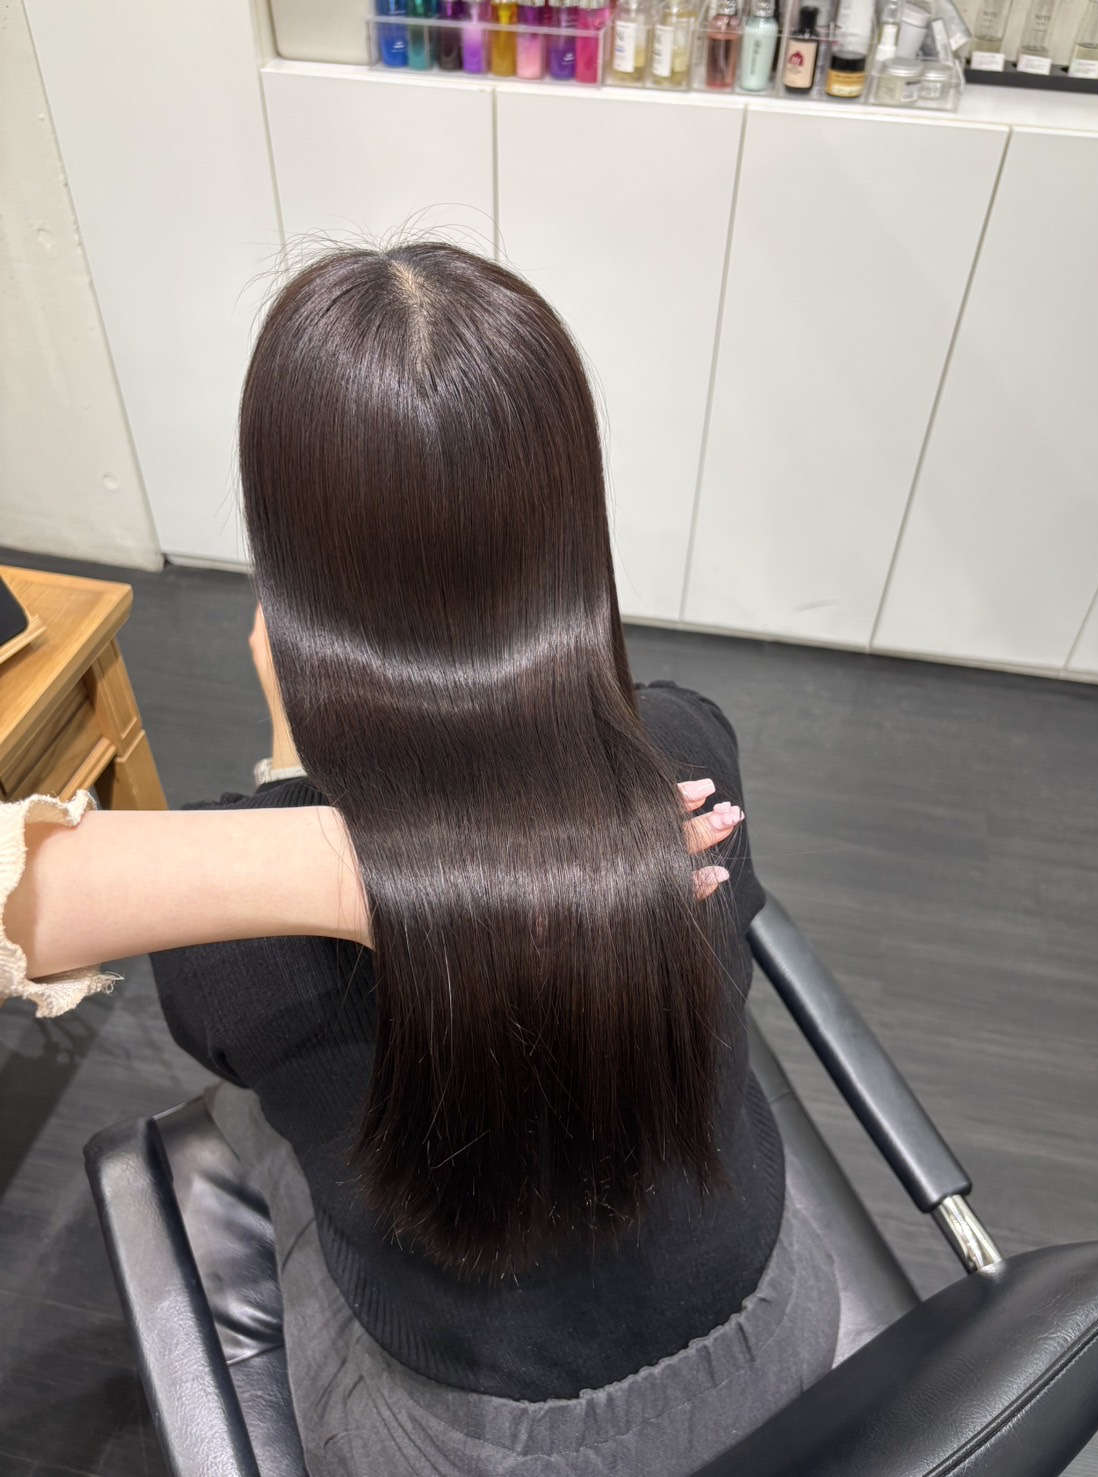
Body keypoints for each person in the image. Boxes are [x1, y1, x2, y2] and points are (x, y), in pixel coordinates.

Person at [0, 245, 839, 1475]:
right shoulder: (690, 758)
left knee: (249, 1112)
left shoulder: (237, 942)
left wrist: (289, 770)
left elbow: (209, 1011)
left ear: (291, 566)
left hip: (485, 1450)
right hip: (779, 1325)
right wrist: (445, 876)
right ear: (567, 522)